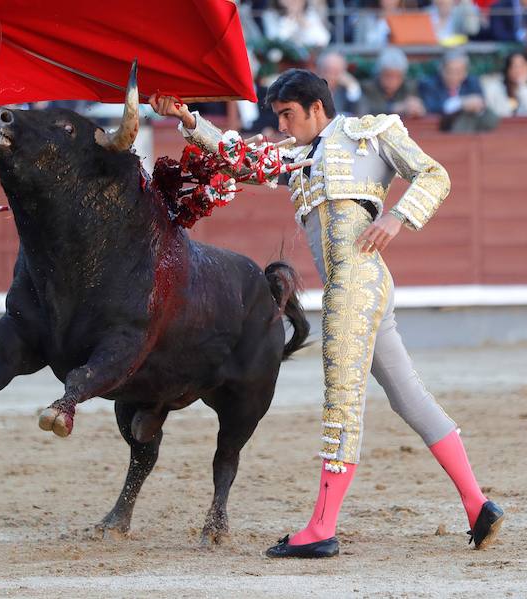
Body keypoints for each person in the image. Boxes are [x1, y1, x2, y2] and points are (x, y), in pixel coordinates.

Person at [150, 69, 504, 559]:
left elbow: (434, 174)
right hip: (359, 283)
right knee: (407, 394)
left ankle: (321, 527)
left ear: (317, 107)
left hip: (355, 280)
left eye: (288, 114)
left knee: (342, 397)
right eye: (277, 116)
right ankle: (477, 503)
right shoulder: (298, 157)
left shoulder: (370, 133)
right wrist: (189, 119)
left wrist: (396, 217)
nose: (282, 124)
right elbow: (245, 160)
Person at [419, 50, 499, 132]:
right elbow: (430, 108)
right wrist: (460, 104)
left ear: (465, 73)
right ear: (441, 70)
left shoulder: (472, 83)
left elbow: (481, 105)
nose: (453, 76)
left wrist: (477, 106)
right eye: (449, 71)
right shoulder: (429, 84)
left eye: (458, 72)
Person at [359, 47, 427, 119]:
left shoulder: (409, 87)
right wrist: (393, 108)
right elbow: (365, 111)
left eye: (398, 76)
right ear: (379, 73)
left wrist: (418, 109)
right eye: (387, 75)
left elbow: (421, 108)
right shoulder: (368, 88)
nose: (392, 81)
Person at [481, 51, 527, 117]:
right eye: (514, 66)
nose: (518, 70)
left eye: (522, 66)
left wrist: (522, 85)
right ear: (507, 69)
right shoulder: (494, 88)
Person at [316, 50, 362, 116]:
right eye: (327, 71)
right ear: (319, 71)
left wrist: (353, 87)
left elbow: (359, 113)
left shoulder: (346, 90)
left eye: (335, 72)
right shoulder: (311, 91)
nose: (331, 76)